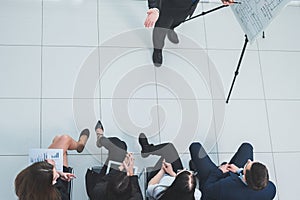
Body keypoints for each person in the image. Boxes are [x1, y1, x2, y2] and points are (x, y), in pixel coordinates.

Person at [144, 0, 234, 67]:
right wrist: (154, 8)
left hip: (187, 8)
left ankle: (171, 28)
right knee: (161, 31)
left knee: (176, 22)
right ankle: (157, 50)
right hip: (168, 7)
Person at [15, 129, 90, 200]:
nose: (57, 175)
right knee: (64, 139)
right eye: (54, 179)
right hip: (59, 188)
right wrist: (58, 175)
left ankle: (75, 144)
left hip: (48, 184)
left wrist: (59, 173)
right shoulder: (60, 197)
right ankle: (79, 145)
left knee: (59, 141)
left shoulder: (24, 185)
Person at [189, 142, 276, 200]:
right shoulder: (271, 189)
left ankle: (197, 170)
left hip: (216, 185)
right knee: (247, 147)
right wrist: (239, 171)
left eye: (246, 166)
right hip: (234, 180)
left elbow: (206, 190)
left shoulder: (225, 186)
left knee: (195, 147)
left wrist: (219, 171)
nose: (249, 160)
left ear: (245, 178)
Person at [87, 120, 143, 200]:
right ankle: (101, 139)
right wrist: (129, 173)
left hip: (106, 179)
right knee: (122, 145)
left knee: (120, 146)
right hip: (111, 185)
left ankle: (100, 139)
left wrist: (121, 168)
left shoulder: (98, 192)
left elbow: (104, 180)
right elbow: (137, 193)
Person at [138, 133, 201, 199]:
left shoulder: (160, 190)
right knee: (169, 149)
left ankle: (147, 150)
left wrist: (162, 170)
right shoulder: (197, 195)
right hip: (174, 179)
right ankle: (147, 149)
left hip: (158, 179)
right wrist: (173, 174)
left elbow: (150, 187)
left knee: (168, 149)